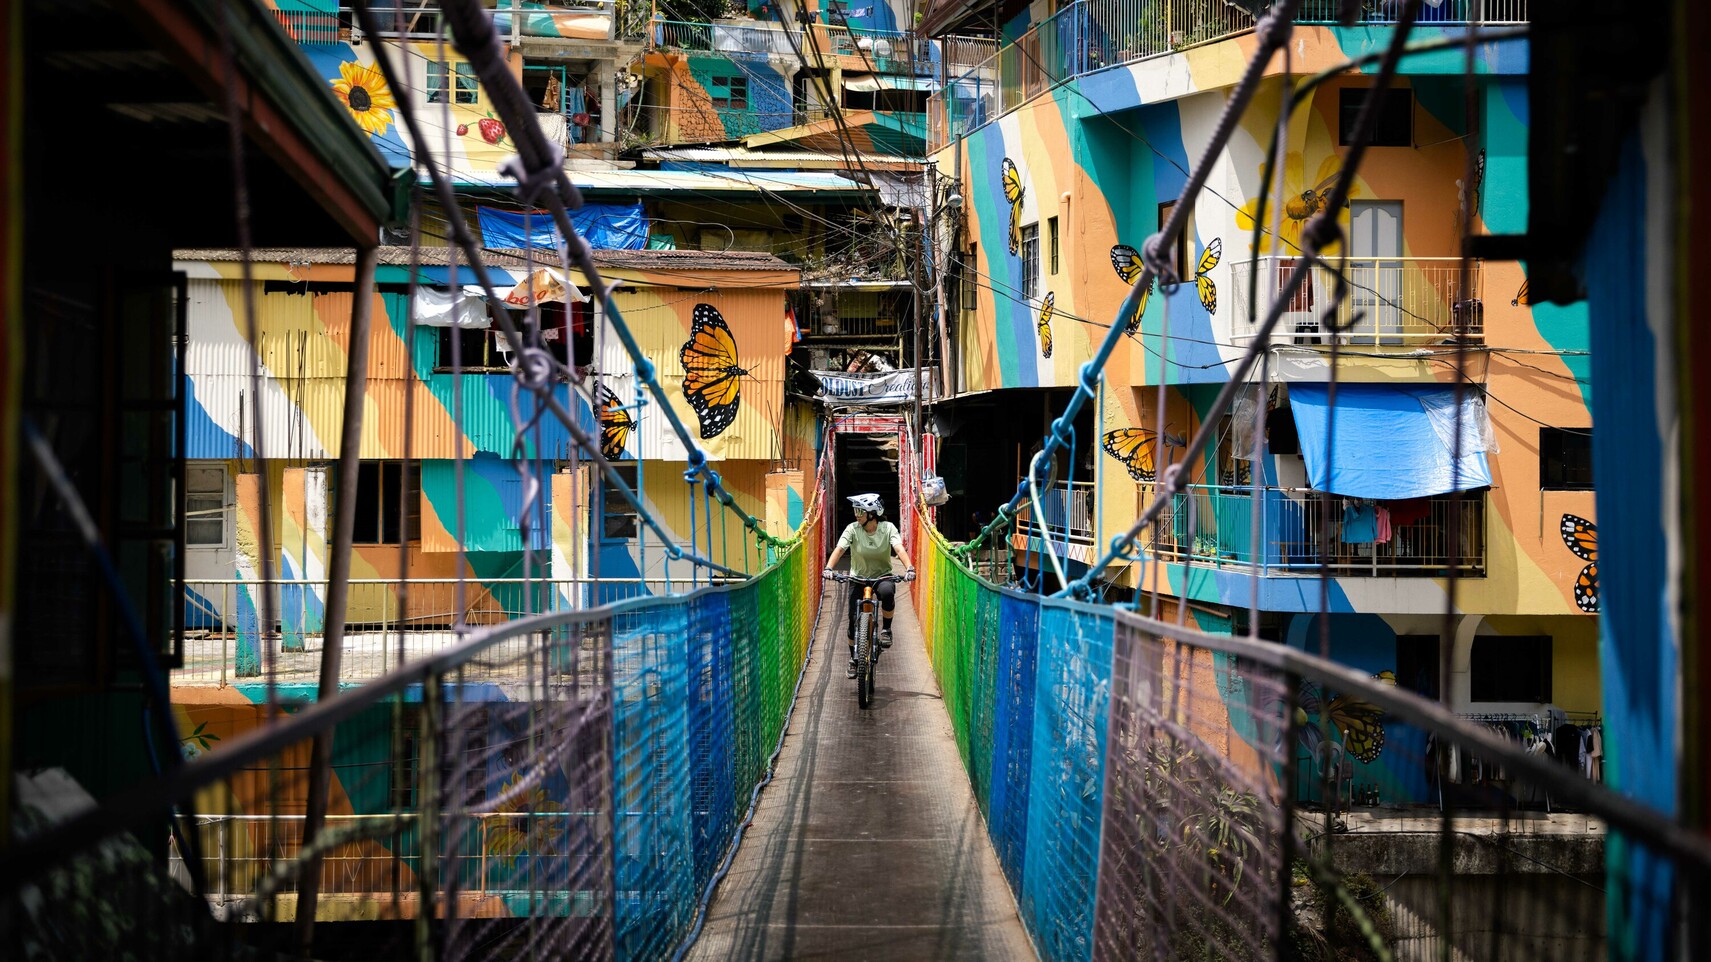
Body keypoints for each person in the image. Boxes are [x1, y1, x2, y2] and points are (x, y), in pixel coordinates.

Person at [823, 493, 914, 678]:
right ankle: (853, 659)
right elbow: (840, 549)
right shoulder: (852, 529)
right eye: (855, 511)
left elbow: (898, 548)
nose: (856, 515)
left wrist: (909, 568)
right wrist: (828, 568)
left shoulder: (888, 528)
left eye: (860, 511)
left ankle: (886, 629)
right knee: (852, 620)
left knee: (887, 592)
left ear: (872, 514)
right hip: (858, 577)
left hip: (882, 575)